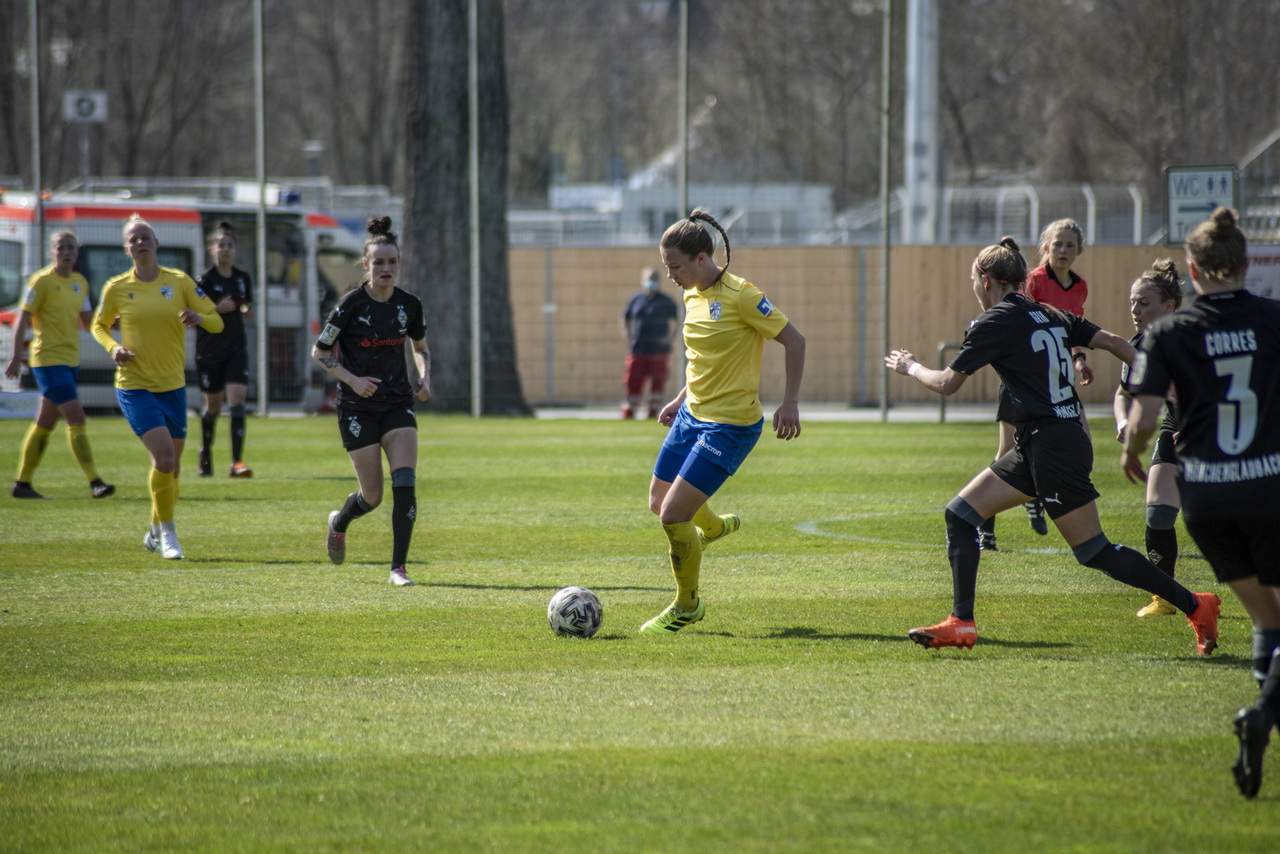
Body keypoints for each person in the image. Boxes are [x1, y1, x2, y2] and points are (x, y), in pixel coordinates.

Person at [884, 235, 1219, 654]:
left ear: (986, 280)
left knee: (1094, 550)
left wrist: (910, 365)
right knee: (961, 514)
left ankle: (1194, 604)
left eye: (974, 279)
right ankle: (962, 622)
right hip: (1043, 440)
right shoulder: (1050, 313)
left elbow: (947, 384)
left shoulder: (995, 322)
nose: (974, 286)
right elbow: (1116, 344)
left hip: (1053, 447)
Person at [1123, 208, 1280, 799]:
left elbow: (1140, 416)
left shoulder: (1169, 333)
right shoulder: (1272, 320)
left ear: (1191, 270)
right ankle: (1261, 713)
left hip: (1207, 500)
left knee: (1269, 617)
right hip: (1269, 488)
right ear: (1245, 264)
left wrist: (1129, 455)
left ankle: (1263, 717)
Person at [641, 208, 806, 634]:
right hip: (692, 414)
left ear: (701, 258)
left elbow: (794, 340)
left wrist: (790, 403)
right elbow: (702, 358)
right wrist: (680, 399)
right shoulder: (690, 294)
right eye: (666, 267)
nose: (670, 275)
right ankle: (712, 528)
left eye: (675, 266)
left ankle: (687, 605)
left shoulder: (743, 295)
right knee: (658, 503)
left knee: (673, 516)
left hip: (729, 426)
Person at [91, 214, 223, 560]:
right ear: (126, 248)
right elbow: (99, 325)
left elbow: (218, 321)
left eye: (145, 237)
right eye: (133, 238)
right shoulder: (117, 288)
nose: (140, 242)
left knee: (172, 466)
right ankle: (169, 534)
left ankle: (153, 527)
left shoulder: (179, 282)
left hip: (172, 386)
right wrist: (113, 348)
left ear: (156, 243)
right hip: (134, 386)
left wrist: (199, 318)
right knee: (164, 457)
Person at [314, 217, 430, 587]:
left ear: (399, 265)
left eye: (392, 262)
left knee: (406, 483)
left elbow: (420, 348)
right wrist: (353, 380)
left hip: (397, 404)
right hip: (357, 408)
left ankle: (398, 568)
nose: (386, 269)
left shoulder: (409, 305)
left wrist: (425, 376)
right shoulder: (350, 305)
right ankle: (340, 521)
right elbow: (320, 351)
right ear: (365, 265)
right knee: (373, 496)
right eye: (378, 262)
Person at [980, 219, 1090, 549]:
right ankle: (985, 529)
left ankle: (1040, 498)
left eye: (1070, 245)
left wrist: (1080, 358)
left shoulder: (1080, 285)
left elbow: (1072, 328)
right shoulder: (1034, 281)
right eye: (1057, 244)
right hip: (1024, 383)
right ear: (1044, 247)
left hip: (1054, 385)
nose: (1063, 250)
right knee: (1006, 453)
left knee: (1073, 441)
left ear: (1079, 250)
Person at [4, 231, 114, 500]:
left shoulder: (80, 282)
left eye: (71, 249)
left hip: (69, 361)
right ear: (52, 251)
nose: (66, 253)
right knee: (76, 417)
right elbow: (22, 318)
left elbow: (89, 322)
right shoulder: (41, 281)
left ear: (77, 254)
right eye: (61, 247)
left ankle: (22, 483)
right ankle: (95, 482)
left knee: (44, 422)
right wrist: (16, 355)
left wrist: (116, 329)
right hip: (47, 360)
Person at [1113, 258, 1185, 618]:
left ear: (1168, 306)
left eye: (1143, 303)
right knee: (1158, 514)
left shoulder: (1194, 337)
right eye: (1132, 302)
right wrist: (1124, 421)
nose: (1134, 310)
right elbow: (1123, 393)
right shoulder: (1137, 344)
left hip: (1217, 435)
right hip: (1174, 430)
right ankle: (1165, 597)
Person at [195, 221, 254, 478]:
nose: (226, 249)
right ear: (212, 249)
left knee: (238, 401)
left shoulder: (242, 279)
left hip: (236, 347)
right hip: (209, 350)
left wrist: (245, 309)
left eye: (230, 245)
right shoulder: (204, 280)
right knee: (213, 408)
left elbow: (247, 309)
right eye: (221, 245)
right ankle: (205, 452)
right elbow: (196, 314)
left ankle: (237, 462)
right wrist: (217, 309)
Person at [621, 267, 679, 419]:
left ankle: (654, 411)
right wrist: (629, 337)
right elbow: (626, 318)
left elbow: (675, 321)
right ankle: (630, 410)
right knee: (633, 380)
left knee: (658, 381)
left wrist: (669, 339)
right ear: (642, 280)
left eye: (654, 279)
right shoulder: (636, 300)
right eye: (648, 278)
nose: (651, 282)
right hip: (638, 349)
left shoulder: (666, 301)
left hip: (659, 351)